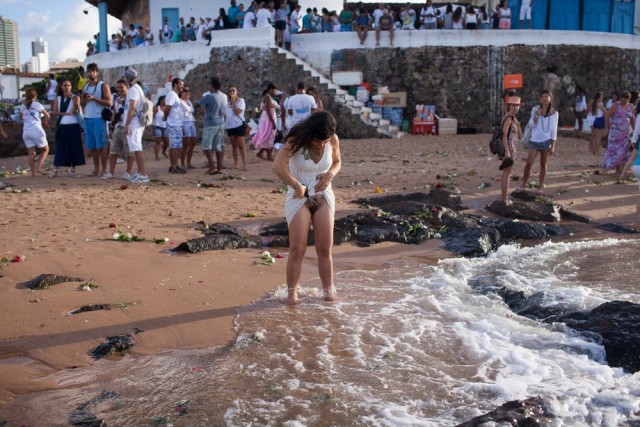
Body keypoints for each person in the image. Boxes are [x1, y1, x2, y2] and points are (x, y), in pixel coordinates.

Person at [272, 111, 342, 305]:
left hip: (323, 194)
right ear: (311, 133)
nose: (321, 144)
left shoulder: (332, 139)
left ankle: (328, 292)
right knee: (297, 249)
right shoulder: (296, 141)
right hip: (298, 196)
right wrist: (297, 186)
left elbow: (337, 162)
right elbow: (278, 166)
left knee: (324, 248)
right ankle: (292, 294)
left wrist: (329, 175)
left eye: (324, 141)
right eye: (318, 140)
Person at [520, 90, 559, 191]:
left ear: (550, 98)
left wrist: (553, 145)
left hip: (546, 141)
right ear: (540, 99)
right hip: (534, 140)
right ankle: (524, 184)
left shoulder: (554, 113)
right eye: (543, 97)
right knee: (529, 163)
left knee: (543, 164)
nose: (545, 98)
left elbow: (554, 130)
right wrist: (537, 115)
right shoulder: (535, 109)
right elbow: (531, 125)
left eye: (547, 96)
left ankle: (540, 186)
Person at [80, 62, 112, 177]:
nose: (91, 73)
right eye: (89, 71)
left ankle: (104, 169)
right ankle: (96, 169)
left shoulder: (103, 86)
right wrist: (85, 99)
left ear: (97, 73)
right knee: (92, 146)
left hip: (99, 118)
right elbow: (82, 103)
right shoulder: (85, 86)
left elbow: (109, 102)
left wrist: (94, 99)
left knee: (102, 145)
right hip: (87, 118)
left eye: (93, 71)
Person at [50, 79, 85, 177]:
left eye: (68, 85)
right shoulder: (58, 98)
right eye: (64, 85)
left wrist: (73, 99)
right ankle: (55, 170)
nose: (66, 87)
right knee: (60, 148)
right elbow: (55, 112)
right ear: (61, 87)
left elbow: (75, 110)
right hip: (62, 125)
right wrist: (66, 113)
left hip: (73, 125)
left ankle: (72, 170)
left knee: (74, 148)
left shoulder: (75, 97)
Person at [122, 67, 150, 183]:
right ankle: (139, 172)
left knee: (137, 148)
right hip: (137, 122)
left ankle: (143, 174)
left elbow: (132, 108)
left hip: (134, 122)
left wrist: (127, 124)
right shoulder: (137, 88)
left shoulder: (133, 90)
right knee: (136, 148)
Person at [103, 79, 134, 180]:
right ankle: (111, 172)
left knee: (129, 151)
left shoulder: (131, 99)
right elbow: (114, 114)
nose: (119, 89)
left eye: (122, 87)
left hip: (128, 127)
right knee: (113, 150)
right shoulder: (116, 99)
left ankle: (128, 173)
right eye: (118, 87)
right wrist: (111, 128)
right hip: (118, 127)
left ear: (127, 88)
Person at [197, 77, 227, 175]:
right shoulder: (224, 96)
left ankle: (212, 167)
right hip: (221, 122)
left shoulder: (210, 96)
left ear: (212, 86)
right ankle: (219, 167)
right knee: (218, 146)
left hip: (211, 123)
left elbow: (197, 104)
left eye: (210, 84)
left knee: (206, 146)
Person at [20, 88, 50, 176]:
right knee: (45, 149)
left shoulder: (22, 106)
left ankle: (33, 173)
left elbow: (21, 118)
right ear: (35, 96)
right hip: (36, 130)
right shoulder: (37, 104)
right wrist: (45, 122)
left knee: (31, 153)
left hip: (26, 132)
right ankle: (38, 167)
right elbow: (47, 115)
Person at [603, 91, 635, 174]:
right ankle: (609, 166)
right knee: (613, 150)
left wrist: (635, 131)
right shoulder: (616, 105)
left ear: (629, 99)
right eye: (622, 99)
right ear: (620, 98)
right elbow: (607, 115)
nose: (623, 101)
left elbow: (632, 119)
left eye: (626, 100)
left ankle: (619, 168)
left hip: (625, 134)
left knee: (624, 151)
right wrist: (607, 127)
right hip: (615, 133)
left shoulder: (630, 106)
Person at [499, 96, 523, 204]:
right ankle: (504, 198)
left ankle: (504, 197)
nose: (515, 108)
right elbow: (504, 135)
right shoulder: (508, 118)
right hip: (508, 148)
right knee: (506, 173)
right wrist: (507, 151)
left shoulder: (513, 118)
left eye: (517, 106)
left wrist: (518, 125)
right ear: (509, 106)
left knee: (507, 172)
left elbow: (520, 135)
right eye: (513, 105)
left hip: (512, 148)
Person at [163, 77, 186, 174]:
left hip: (175, 124)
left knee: (174, 146)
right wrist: (166, 116)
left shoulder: (175, 95)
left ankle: (173, 166)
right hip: (174, 124)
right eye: (181, 84)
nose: (182, 86)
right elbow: (167, 108)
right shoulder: (172, 94)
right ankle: (175, 166)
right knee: (175, 146)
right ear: (175, 84)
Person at [225, 85, 248, 171]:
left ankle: (245, 164)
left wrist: (233, 101)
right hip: (230, 127)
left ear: (236, 92)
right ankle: (235, 163)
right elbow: (226, 115)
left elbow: (237, 112)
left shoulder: (241, 101)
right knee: (234, 146)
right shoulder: (227, 104)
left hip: (239, 125)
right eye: (230, 91)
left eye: (233, 91)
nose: (231, 92)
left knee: (241, 145)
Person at [253, 83, 278, 161]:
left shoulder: (268, 97)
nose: (275, 91)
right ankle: (269, 156)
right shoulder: (267, 97)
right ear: (270, 89)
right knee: (269, 136)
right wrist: (273, 122)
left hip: (267, 118)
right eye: (274, 90)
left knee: (268, 136)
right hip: (268, 119)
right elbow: (268, 110)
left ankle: (261, 153)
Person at [180, 86, 197, 169]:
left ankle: (189, 162)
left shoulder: (189, 101)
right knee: (186, 143)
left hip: (191, 121)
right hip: (184, 122)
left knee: (193, 143)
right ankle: (183, 163)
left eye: (188, 90)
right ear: (181, 92)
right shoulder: (180, 102)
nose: (188, 92)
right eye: (185, 91)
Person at [151, 96, 168, 160]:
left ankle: (163, 151)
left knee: (166, 141)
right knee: (158, 141)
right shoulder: (156, 108)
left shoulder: (167, 108)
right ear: (161, 101)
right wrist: (149, 125)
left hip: (165, 126)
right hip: (156, 126)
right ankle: (157, 156)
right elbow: (151, 116)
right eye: (165, 100)